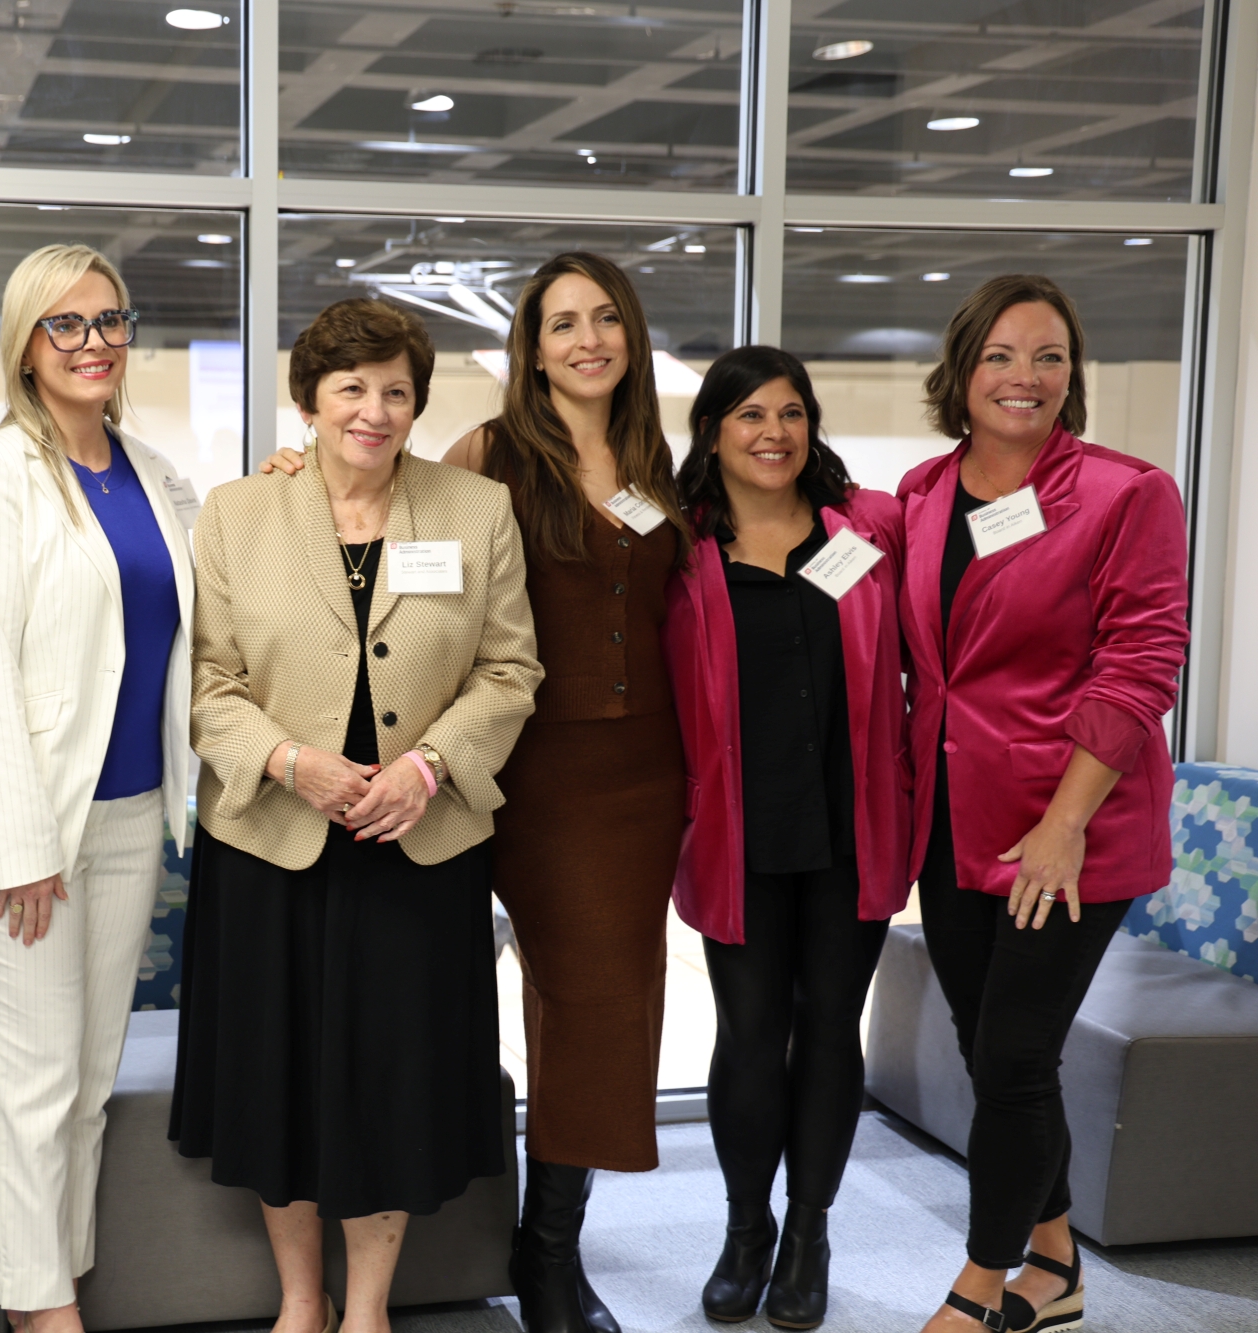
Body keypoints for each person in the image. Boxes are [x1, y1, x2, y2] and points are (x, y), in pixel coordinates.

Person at [264, 253, 687, 1333]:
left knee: (598, 1017)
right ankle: (410, 1249)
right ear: (529, 347)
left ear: (628, 335)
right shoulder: (489, 455)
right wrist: (291, 475)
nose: (585, 339)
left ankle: (547, 1253)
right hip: (498, 760)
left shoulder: (652, 459)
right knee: (438, 999)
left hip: (631, 781)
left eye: (603, 319)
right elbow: (374, 506)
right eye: (560, 324)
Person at [175, 297, 542, 1333]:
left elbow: (509, 671)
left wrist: (427, 767)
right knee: (277, 1079)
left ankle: (368, 1307)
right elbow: (208, 686)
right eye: (349, 388)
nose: (372, 411)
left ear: (417, 402)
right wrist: (291, 761)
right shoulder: (235, 514)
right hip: (271, 844)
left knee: (391, 1083)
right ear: (308, 400)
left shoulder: (476, 510)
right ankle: (301, 1300)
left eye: (393, 390)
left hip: (416, 848)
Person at [901, 276, 1187, 1333]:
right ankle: (1055, 1265)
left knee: (1015, 1055)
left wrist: (1062, 824)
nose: (1026, 378)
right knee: (988, 1052)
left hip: (1066, 824)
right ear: (962, 372)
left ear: (1073, 374)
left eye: (1050, 356)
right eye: (1001, 357)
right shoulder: (926, 492)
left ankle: (980, 1283)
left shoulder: (1125, 493)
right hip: (952, 820)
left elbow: (1139, 663)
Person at [0, 244, 195, 1331]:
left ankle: (56, 1281)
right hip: (26, 830)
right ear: (25, 348)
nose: (93, 343)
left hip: (134, 812)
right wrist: (23, 843)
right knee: (34, 1089)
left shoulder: (151, 469)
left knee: (87, 1083)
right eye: (65, 325)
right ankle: (43, 1315)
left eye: (109, 320)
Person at [664, 347, 911, 1330]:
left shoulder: (870, 527)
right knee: (749, 1034)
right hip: (734, 830)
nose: (773, 433)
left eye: (791, 413)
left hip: (851, 827)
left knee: (828, 1031)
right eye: (749, 415)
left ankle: (808, 1231)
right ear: (712, 431)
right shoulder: (675, 548)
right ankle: (744, 1229)